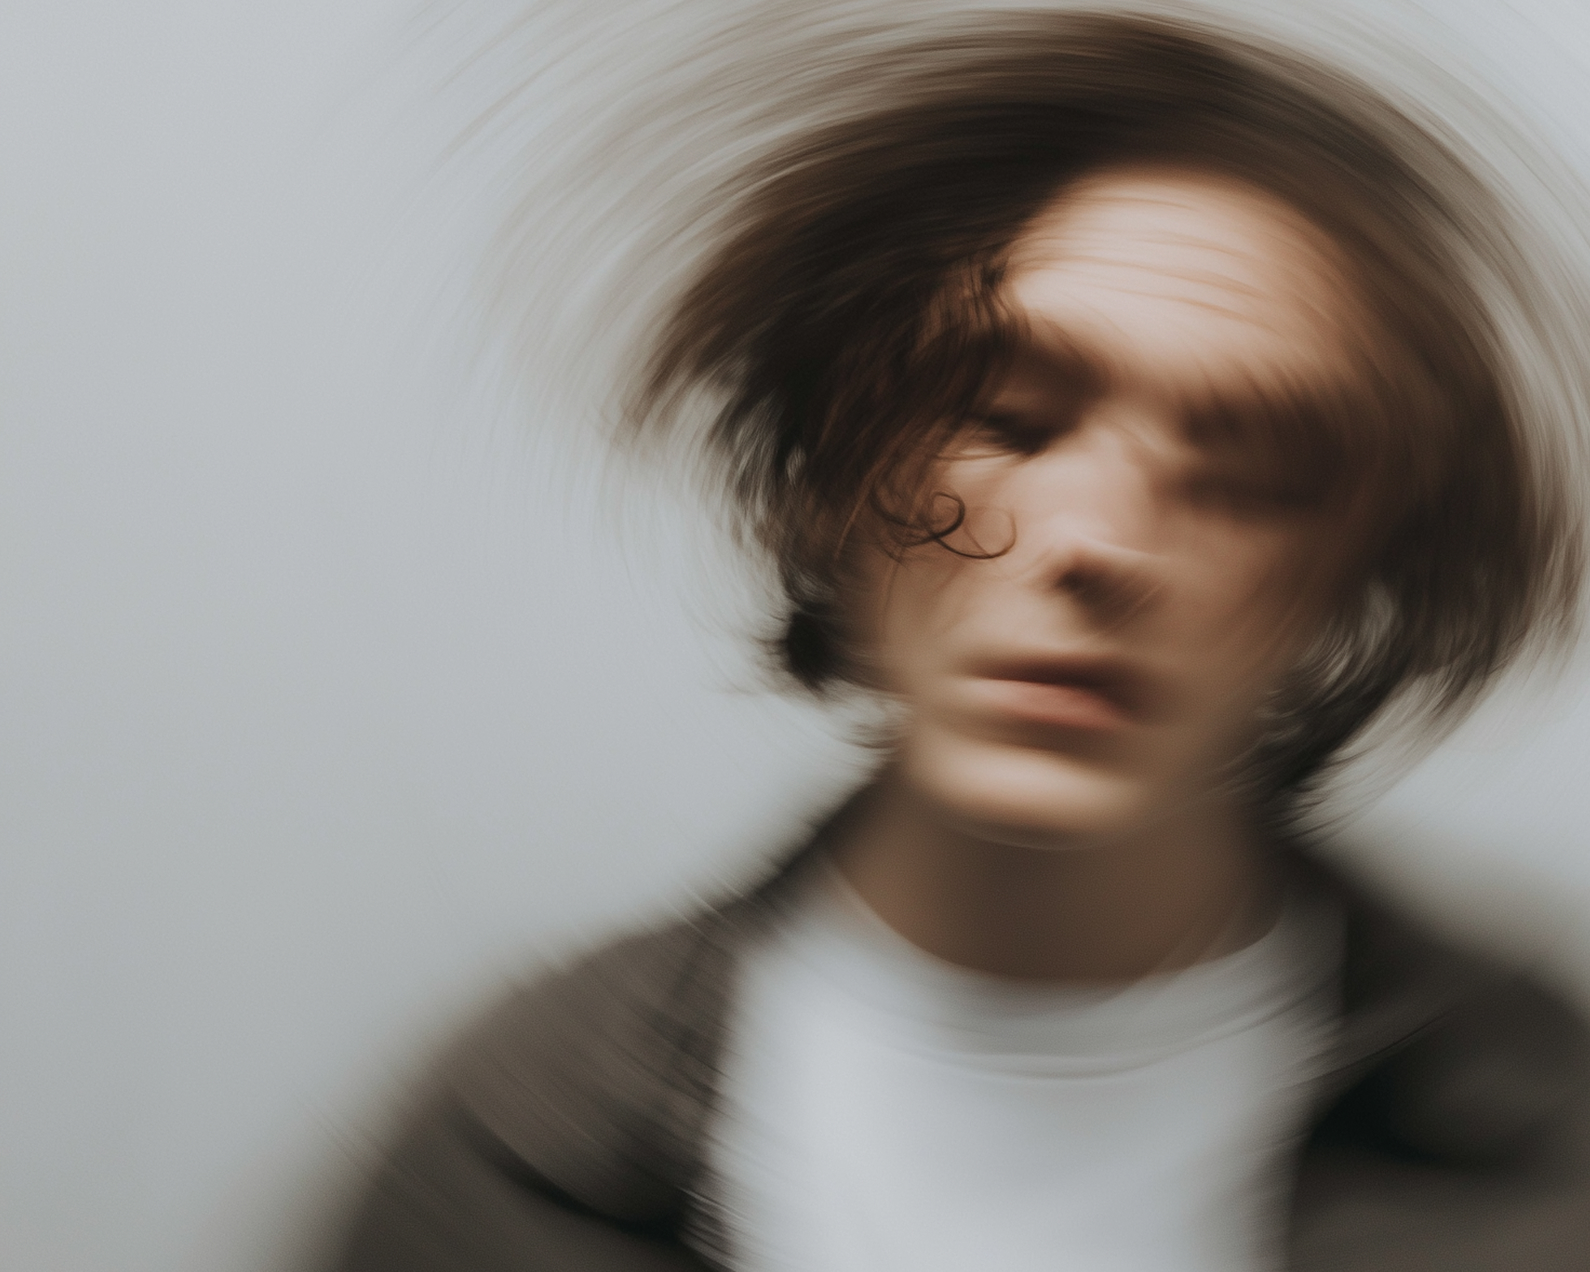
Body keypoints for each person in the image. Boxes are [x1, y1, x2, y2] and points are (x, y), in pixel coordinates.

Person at [323, 11, 1590, 1271]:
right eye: (1007, 417)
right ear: (827, 466)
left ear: (1360, 564)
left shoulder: (1544, 1140)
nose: (1099, 544)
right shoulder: (518, 1156)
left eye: (1250, 472)